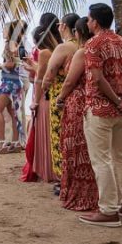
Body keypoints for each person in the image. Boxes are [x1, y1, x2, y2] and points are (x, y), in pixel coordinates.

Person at [78, 3, 122, 227]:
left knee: (102, 160)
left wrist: (115, 100)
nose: (87, 23)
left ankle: (108, 209)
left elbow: (96, 77)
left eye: (88, 19)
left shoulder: (93, 44)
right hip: (121, 111)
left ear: (94, 21)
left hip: (100, 108)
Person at [55, 17, 99, 212]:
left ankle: (79, 193)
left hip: (76, 102)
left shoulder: (83, 52)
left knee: (75, 149)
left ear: (78, 33)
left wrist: (60, 98)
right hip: (89, 99)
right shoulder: (96, 49)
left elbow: (70, 81)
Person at [22, 18, 60, 182]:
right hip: (53, 94)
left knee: (42, 133)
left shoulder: (44, 53)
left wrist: (35, 101)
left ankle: (45, 169)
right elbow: (44, 71)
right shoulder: (56, 50)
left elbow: (40, 79)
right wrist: (34, 67)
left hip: (45, 96)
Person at [43, 13, 80, 182]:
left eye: (59, 24)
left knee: (59, 137)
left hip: (61, 95)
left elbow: (49, 73)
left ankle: (63, 178)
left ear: (63, 26)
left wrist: (44, 87)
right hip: (79, 97)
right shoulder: (82, 45)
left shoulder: (64, 47)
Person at [0, 21, 26, 154]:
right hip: (15, 82)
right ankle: (15, 144)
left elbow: (10, 65)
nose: (3, 32)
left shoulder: (10, 44)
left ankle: (1, 144)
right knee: (12, 113)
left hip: (8, 83)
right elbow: (13, 63)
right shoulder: (16, 44)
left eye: (4, 29)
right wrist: (2, 64)